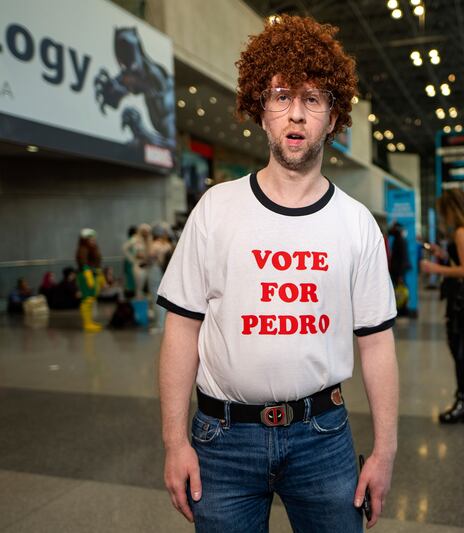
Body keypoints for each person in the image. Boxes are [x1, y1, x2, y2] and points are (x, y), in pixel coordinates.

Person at [157, 15, 398, 532]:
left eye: (313, 99)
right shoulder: (215, 209)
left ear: (333, 118)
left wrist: (385, 452)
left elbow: (376, 343)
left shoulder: (356, 223)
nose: (296, 114)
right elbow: (182, 328)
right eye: (282, 95)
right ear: (259, 110)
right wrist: (175, 442)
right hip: (222, 441)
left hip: (324, 436)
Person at [420, 188, 464, 424]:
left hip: (461, 298)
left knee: (457, 347)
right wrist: (444, 256)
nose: (442, 217)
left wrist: (434, 268)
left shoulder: (461, 232)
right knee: (460, 347)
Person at [76, 228, 104, 332]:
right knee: (87, 300)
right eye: (90, 239)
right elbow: (83, 264)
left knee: (91, 300)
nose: (93, 241)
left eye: (93, 239)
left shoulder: (93, 249)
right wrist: (88, 274)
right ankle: (87, 323)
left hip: (93, 275)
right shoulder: (83, 250)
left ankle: (90, 321)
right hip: (85, 276)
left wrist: (100, 275)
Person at [148, 225, 173, 332]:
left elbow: (149, 257)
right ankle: (163, 323)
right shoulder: (168, 245)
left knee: (156, 298)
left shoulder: (155, 245)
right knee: (164, 298)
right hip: (166, 272)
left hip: (155, 271)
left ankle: (160, 325)